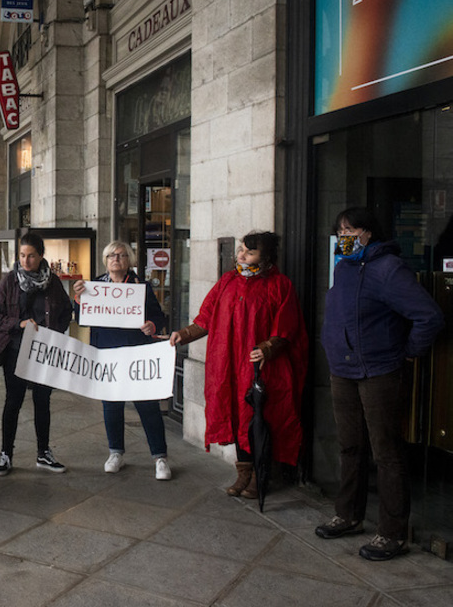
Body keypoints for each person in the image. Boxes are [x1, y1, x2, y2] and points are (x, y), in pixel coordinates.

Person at [315, 207, 444, 561]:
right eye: (340, 228)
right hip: (343, 370)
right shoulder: (343, 268)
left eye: (351, 228)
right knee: (350, 446)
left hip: (379, 371)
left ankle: (392, 533)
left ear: (369, 232)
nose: (344, 234)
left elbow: (428, 315)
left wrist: (409, 352)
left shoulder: (389, 269)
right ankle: (349, 515)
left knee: (386, 452)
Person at [170, 231, 308, 499]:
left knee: (258, 419)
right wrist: (182, 335)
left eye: (250, 252)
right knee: (235, 415)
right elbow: (205, 318)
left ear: (265, 257)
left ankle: (259, 475)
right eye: (242, 250)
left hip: (261, 367)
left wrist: (268, 347)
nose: (241, 255)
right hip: (228, 364)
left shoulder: (280, 285)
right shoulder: (227, 281)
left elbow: (287, 327)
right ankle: (243, 473)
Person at [73, 241, 172, 480]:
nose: (116, 259)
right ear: (105, 261)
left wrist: (153, 325)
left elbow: (158, 316)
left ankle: (160, 457)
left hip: (137, 354)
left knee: (147, 405)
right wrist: (78, 300)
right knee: (112, 405)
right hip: (108, 353)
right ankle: (115, 452)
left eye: (121, 255)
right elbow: (82, 320)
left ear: (130, 260)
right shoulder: (93, 286)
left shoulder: (141, 287)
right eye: (111, 256)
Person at [0, 232, 73, 476]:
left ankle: (43, 453)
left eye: (31, 256)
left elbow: (66, 311)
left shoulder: (52, 282)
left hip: (44, 351)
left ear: (41, 256)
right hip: (15, 350)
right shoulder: (9, 282)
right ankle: (6, 453)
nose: (26, 261)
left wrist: (53, 332)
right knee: (13, 401)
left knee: (42, 401)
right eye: (22, 255)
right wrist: (19, 323)